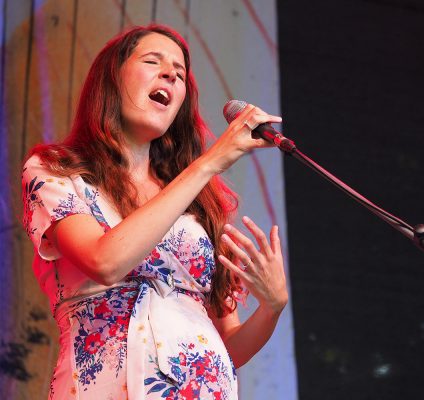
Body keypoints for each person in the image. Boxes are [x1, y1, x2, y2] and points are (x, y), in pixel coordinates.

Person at [21, 24, 288, 400]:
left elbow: (229, 346)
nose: (170, 74)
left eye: (180, 74)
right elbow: (105, 260)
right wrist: (208, 164)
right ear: (112, 79)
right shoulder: (56, 170)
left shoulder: (198, 204)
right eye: (153, 61)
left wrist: (272, 307)